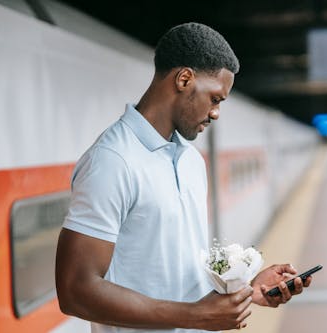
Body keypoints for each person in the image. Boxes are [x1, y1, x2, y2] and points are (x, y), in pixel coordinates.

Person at [55, 22, 311, 333]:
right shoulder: (112, 161)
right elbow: (75, 291)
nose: (216, 112)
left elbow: (179, 271)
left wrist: (244, 288)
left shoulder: (191, 160)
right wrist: (195, 316)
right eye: (215, 99)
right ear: (184, 79)